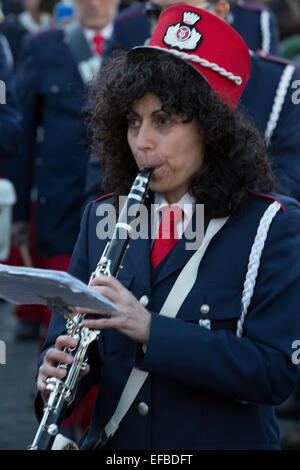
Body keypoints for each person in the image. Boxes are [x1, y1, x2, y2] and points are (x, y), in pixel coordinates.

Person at [35, 5, 300, 450]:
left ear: (212, 129)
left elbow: (275, 375)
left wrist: (151, 329)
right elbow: (71, 358)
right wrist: (56, 378)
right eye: (134, 121)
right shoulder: (103, 218)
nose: (142, 143)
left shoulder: (272, 226)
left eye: (164, 121)